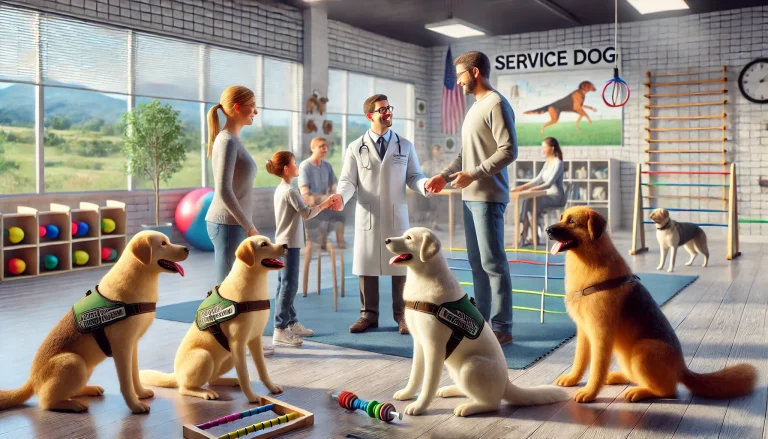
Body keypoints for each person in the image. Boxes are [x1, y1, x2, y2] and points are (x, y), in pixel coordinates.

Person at [425, 50, 518, 346]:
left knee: (493, 263)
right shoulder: (474, 107)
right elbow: (466, 154)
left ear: (475, 72)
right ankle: (483, 322)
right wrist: (444, 175)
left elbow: (508, 150)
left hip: (488, 196)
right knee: (477, 263)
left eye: (461, 75)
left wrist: (475, 174)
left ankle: (503, 327)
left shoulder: (497, 104)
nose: (458, 81)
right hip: (470, 196)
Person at [327, 94, 430, 335]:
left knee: (400, 266)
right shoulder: (355, 147)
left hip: (396, 215)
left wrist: (425, 185)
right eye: (382, 109)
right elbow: (348, 181)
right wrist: (341, 196)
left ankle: (403, 316)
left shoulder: (405, 145)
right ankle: (368, 315)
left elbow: (414, 176)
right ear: (370, 116)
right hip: (368, 214)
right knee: (367, 265)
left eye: (389, 108)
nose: (387, 112)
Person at [205, 85, 275, 355]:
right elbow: (223, 191)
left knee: (237, 287)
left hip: (232, 224)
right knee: (228, 288)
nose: (256, 111)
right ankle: (224, 343)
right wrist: (250, 227)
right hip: (227, 224)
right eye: (252, 105)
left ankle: (237, 340)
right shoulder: (226, 141)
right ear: (237, 108)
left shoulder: (232, 140)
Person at [266, 151, 335, 347]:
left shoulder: (280, 189)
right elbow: (307, 213)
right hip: (290, 244)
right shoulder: (290, 191)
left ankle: (292, 322)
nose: (297, 166)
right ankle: (280, 329)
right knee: (289, 286)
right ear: (287, 169)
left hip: (282, 242)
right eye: (295, 163)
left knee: (283, 285)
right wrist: (326, 203)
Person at [512, 137, 566, 247]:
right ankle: (527, 233)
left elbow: (548, 184)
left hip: (556, 197)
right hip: (546, 196)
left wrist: (530, 190)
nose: (542, 150)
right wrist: (521, 188)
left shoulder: (558, 163)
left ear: (552, 148)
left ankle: (526, 233)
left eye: (544, 147)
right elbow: (537, 180)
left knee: (531, 203)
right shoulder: (547, 163)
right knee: (528, 201)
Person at [298, 136, 347, 249]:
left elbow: (334, 185)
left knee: (341, 214)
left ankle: (340, 243)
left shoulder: (327, 166)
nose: (325, 149)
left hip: (325, 201)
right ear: (313, 148)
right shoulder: (305, 166)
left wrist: (333, 194)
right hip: (312, 205)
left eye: (326, 147)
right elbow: (306, 196)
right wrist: (327, 198)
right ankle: (322, 241)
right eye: (321, 147)